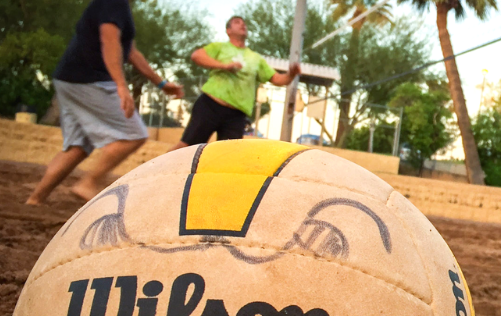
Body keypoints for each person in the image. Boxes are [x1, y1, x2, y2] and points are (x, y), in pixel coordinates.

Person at [25, 0, 183, 205]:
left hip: (69, 78)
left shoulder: (117, 6)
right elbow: (109, 41)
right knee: (133, 135)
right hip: (90, 79)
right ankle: (88, 183)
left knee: (78, 146)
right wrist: (120, 85)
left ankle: (35, 199)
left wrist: (160, 83)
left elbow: (131, 52)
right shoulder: (114, 2)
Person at [169, 16, 301, 151]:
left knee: (228, 156)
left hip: (236, 115)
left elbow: (277, 79)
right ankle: (158, 169)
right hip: (210, 106)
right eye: (237, 23)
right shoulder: (219, 47)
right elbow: (197, 56)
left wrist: (291, 74)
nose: (243, 25)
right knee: (186, 148)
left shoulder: (255, 58)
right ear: (228, 30)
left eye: (244, 23)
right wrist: (224, 66)